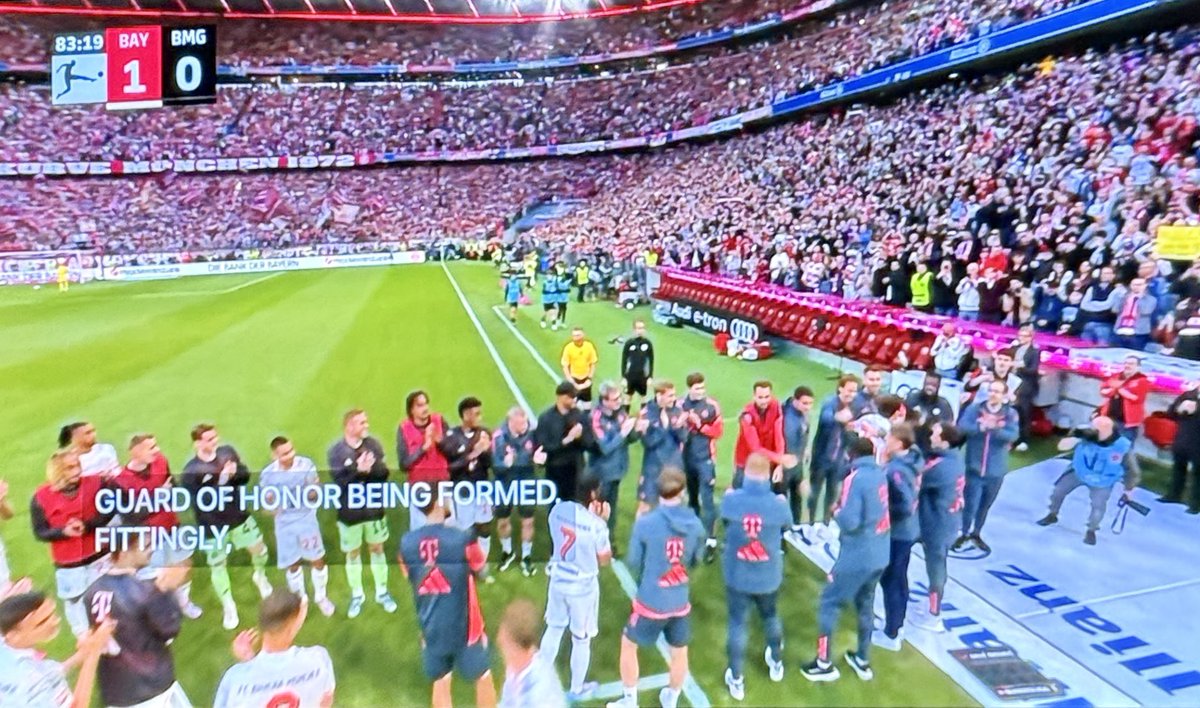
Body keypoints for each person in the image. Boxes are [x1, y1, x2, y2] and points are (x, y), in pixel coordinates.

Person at [607, 469, 703, 708]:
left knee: (629, 644)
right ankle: (671, 699)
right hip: (680, 600)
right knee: (679, 652)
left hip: (651, 601)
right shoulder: (695, 523)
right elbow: (696, 559)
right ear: (682, 492)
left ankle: (630, 701)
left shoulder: (646, 523)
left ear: (658, 492)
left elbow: (633, 562)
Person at [801, 437, 890, 683]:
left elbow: (850, 522)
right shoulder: (881, 473)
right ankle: (862, 659)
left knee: (829, 603)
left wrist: (835, 510)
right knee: (865, 605)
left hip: (857, 555)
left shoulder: (856, 478)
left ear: (850, 455)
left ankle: (823, 664)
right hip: (880, 553)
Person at [398, 498, 497, 708]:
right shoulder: (462, 538)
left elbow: (410, 575)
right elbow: (482, 570)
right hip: (466, 628)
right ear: (437, 503)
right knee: (482, 677)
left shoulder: (406, 543)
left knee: (441, 680)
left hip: (431, 624)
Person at [83, 535, 192, 708]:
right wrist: (167, 590)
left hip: (116, 692)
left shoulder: (91, 591)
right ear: (124, 552)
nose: (151, 549)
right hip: (150, 689)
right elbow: (170, 629)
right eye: (145, 546)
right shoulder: (143, 592)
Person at [183, 423, 272, 630]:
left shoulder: (227, 452)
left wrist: (235, 474)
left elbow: (245, 475)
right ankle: (228, 604)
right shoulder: (191, 471)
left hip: (239, 517)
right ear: (197, 443)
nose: (215, 441)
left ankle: (260, 576)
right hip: (213, 526)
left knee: (260, 549)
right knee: (218, 564)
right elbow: (200, 501)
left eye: (215, 437)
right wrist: (222, 480)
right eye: (209, 439)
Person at [720, 453, 791, 700]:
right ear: (768, 475)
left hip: (738, 573)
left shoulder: (731, 500)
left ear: (745, 474)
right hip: (768, 574)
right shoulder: (779, 503)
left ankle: (737, 678)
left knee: (738, 623)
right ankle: (776, 662)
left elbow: (725, 520)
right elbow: (788, 524)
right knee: (771, 616)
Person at [113, 434, 202, 620]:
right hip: (149, 538)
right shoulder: (120, 481)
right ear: (135, 452)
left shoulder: (161, 461)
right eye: (151, 448)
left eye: (156, 446)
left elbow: (172, 484)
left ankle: (184, 603)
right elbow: (129, 516)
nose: (157, 450)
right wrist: (157, 498)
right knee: (156, 579)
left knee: (183, 565)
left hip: (172, 526)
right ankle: (163, 614)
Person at [540, 475, 612, 703]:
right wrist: (602, 521)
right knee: (581, 639)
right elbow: (604, 560)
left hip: (558, 579)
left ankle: (539, 681)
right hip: (582, 587)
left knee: (553, 628)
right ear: (592, 495)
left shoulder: (557, 510)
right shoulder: (597, 526)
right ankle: (577, 687)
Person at [31, 450, 115, 638]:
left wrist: (87, 525)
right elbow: (40, 532)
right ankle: (83, 638)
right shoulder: (40, 497)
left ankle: (104, 635)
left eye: (77, 464)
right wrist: (63, 532)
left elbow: (109, 512)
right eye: (70, 467)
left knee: (102, 595)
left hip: (99, 554)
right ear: (58, 471)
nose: (77, 470)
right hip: (69, 563)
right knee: (75, 600)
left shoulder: (97, 483)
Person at [327, 409, 395, 619]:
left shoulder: (373, 444)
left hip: (374, 509)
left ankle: (382, 591)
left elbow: (384, 474)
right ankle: (357, 594)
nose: (366, 425)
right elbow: (339, 482)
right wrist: (359, 471)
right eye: (361, 422)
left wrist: (370, 470)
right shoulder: (336, 452)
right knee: (353, 552)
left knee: (377, 548)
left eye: (366, 421)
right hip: (350, 513)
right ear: (349, 426)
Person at [216, 590, 336, 708]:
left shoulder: (235, 679)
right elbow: (326, 701)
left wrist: (249, 661)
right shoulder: (318, 659)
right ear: (291, 626)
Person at [259, 436, 334, 617]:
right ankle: (300, 600)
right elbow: (265, 507)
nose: (290, 455)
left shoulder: (306, 465)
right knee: (292, 564)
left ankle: (321, 597)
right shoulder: (268, 475)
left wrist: (314, 492)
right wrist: (273, 507)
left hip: (306, 521)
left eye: (291, 450)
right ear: (274, 455)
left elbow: (316, 492)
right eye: (284, 454)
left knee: (317, 560)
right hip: (284, 526)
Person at [0, 590, 114, 708]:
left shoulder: (8, 649)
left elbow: (47, 675)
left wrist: (80, 656)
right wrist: (93, 653)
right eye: (42, 622)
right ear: (13, 635)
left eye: (52, 614)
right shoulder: (27, 680)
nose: (55, 622)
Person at [1038, 416, 1137, 545]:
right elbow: (1061, 447)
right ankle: (1052, 514)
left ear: (1107, 430)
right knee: (1058, 492)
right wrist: (1075, 437)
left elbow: (1132, 470)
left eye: (1096, 428)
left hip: (1103, 480)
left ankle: (1092, 530)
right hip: (1079, 471)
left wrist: (1129, 490)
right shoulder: (1083, 434)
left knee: (1098, 506)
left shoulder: (1122, 446)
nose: (1091, 429)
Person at [911, 421, 966, 633]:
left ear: (944, 441)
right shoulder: (953, 459)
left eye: (935, 434)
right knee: (937, 565)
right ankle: (931, 607)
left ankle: (934, 615)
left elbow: (917, 481)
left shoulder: (940, 467)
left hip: (937, 524)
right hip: (947, 520)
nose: (931, 436)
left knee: (935, 568)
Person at [954, 380, 1020, 553]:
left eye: (998, 391)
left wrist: (995, 430)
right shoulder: (975, 409)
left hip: (996, 470)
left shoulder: (1010, 414)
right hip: (974, 467)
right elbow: (962, 427)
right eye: (991, 390)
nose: (993, 394)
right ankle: (964, 532)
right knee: (970, 502)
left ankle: (976, 532)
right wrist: (981, 427)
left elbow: (1013, 434)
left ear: (1004, 395)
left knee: (985, 504)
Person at [874, 423, 922, 652]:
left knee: (891, 580)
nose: (887, 440)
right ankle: (895, 624)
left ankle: (891, 632)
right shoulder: (913, 458)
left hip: (897, 533)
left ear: (899, 443)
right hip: (908, 531)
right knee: (899, 579)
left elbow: (903, 505)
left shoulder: (896, 470)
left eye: (890, 437)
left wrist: (884, 514)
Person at [588, 382, 646, 547]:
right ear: (604, 401)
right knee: (599, 509)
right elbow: (605, 447)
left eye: (619, 398)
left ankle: (609, 541)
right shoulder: (595, 417)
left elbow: (630, 439)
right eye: (614, 399)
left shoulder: (620, 413)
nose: (619, 401)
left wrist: (638, 430)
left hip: (617, 469)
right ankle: (594, 543)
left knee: (611, 507)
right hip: (601, 472)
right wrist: (623, 432)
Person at [440, 397, 495, 568]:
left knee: (484, 526)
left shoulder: (485, 433)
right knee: (466, 529)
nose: (480, 417)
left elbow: (490, 463)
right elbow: (450, 467)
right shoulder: (452, 436)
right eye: (475, 413)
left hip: (481, 487)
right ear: (465, 415)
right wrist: (474, 453)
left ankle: (481, 563)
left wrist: (486, 452)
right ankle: (465, 563)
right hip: (462, 490)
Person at [679, 372, 724, 561]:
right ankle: (694, 534)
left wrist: (699, 426)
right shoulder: (681, 405)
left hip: (705, 459)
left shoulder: (712, 406)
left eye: (702, 387)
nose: (701, 391)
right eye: (697, 388)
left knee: (707, 500)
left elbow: (718, 431)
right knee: (692, 499)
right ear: (690, 389)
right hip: (686, 459)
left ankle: (711, 541)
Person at [493, 407, 542, 576]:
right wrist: (510, 463)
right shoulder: (499, 437)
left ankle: (526, 557)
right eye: (521, 424)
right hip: (504, 484)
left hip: (526, 482)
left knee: (528, 521)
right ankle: (508, 551)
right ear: (510, 422)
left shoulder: (532, 434)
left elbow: (540, 456)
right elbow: (496, 465)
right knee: (503, 521)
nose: (525, 426)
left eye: (526, 422)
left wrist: (538, 461)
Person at [808, 375, 859, 532]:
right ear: (840, 388)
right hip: (822, 456)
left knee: (832, 493)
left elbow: (853, 432)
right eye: (849, 390)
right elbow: (826, 418)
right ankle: (810, 524)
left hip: (839, 458)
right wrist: (840, 418)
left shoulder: (854, 407)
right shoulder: (830, 402)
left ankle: (826, 522)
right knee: (814, 491)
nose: (851, 394)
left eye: (854, 391)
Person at [397, 390, 451, 529]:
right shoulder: (404, 428)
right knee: (420, 530)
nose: (425, 408)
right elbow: (404, 464)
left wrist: (440, 441)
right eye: (420, 405)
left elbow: (453, 452)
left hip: (443, 482)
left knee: (447, 527)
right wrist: (423, 448)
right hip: (419, 487)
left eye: (426, 403)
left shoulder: (439, 421)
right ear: (411, 410)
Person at [501, 599, 567, 708]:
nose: (499, 641)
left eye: (504, 640)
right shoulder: (514, 673)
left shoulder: (542, 686)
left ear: (514, 646)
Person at [638, 381, 689, 516]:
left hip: (674, 466)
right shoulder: (646, 413)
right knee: (646, 506)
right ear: (659, 396)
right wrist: (664, 427)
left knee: (675, 504)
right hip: (653, 467)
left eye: (674, 395)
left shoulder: (678, 411)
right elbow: (648, 442)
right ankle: (639, 535)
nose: (674, 399)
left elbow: (684, 438)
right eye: (670, 396)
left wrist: (678, 427)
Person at [733, 381, 796, 489]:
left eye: (767, 397)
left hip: (768, 461)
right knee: (740, 493)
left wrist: (779, 464)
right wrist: (780, 459)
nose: (764, 401)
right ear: (754, 396)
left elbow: (779, 436)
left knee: (764, 493)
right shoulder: (747, 416)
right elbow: (755, 448)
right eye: (760, 397)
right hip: (746, 462)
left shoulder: (775, 407)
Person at [535, 382, 590, 504]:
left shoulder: (579, 415)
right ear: (561, 397)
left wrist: (581, 437)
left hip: (576, 468)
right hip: (555, 469)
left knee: (574, 506)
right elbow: (543, 445)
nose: (574, 400)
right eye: (571, 397)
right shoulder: (546, 418)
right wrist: (567, 440)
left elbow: (589, 443)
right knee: (554, 507)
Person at [782, 386, 815, 540]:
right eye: (805, 403)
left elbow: (805, 432)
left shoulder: (803, 415)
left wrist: (806, 448)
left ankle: (795, 526)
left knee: (797, 497)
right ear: (795, 401)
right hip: (786, 465)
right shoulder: (788, 419)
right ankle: (781, 532)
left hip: (797, 464)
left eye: (810, 404)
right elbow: (787, 444)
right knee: (782, 498)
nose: (808, 407)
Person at [1163, 382, 1200, 513]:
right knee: (1178, 468)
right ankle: (1174, 495)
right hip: (1182, 439)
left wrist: (1197, 409)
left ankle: (1195, 504)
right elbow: (1170, 413)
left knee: (1198, 474)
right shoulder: (1188, 395)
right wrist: (1179, 409)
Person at [1012, 323, 1042, 452]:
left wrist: (1020, 366)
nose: (1021, 338)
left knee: (1024, 413)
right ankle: (1013, 438)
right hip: (1012, 383)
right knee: (1013, 412)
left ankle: (1024, 440)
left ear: (1030, 338)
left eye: (1024, 336)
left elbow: (1033, 370)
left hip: (1026, 385)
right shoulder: (1014, 348)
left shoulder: (1034, 352)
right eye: (1020, 335)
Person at [1113, 277, 1158, 351]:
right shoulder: (1124, 297)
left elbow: (1146, 311)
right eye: (1134, 285)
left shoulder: (1151, 299)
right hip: (1120, 330)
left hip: (1138, 332)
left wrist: (1138, 298)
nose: (1136, 287)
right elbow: (1115, 310)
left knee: (1135, 354)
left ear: (1145, 286)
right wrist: (1121, 298)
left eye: (1139, 285)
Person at [620, 319, 655, 412]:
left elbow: (651, 361)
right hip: (630, 375)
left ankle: (643, 419)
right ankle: (625, 418)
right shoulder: (629, 343)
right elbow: (623, 361)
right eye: (638, 328)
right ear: (634, 329)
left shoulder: (648, 343)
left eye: (642, 328)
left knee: (644, 397)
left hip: (642, 375)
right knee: (628, 397)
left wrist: (650, 377)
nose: (640, 330)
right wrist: (623, 377)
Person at [561, 327, 599, 410]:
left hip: (586, 379)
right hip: (574, 379)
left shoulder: (589, 346)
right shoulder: (568, 348)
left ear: (583, 335)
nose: (576, 338)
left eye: (578, 335)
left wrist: (589, 378)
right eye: (574, 336)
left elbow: (593, 363)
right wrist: (571, 381)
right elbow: (565, 366)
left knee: (587, 406)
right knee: (571, 407)